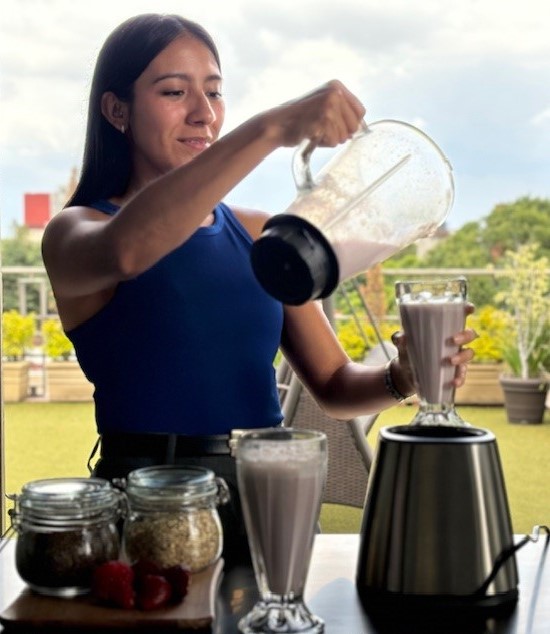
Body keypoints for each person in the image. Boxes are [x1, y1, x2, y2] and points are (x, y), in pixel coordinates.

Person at [41, 13, 476, 564]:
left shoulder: (255, 231)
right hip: (150, 507)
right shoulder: (78, 231)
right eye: (175, 91)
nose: (204, 113)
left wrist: (401, 377)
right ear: (116, 110)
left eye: (215, 92)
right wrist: (271, 128)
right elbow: (132, 250)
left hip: (270, 495)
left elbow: (336, 384)